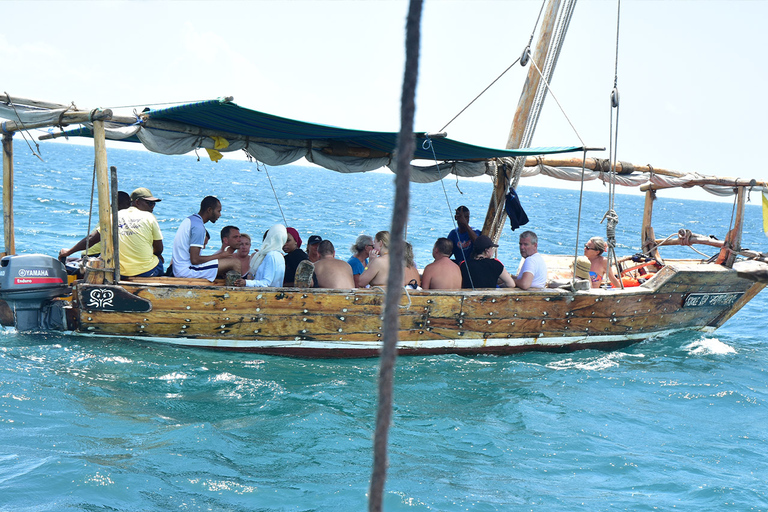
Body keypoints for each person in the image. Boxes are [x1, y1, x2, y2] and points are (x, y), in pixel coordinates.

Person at [172, 195, 240, 281]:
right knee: (235, 263)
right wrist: (221, 255)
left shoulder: (190, 220)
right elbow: (195, 260)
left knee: (225, 263)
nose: (219, 215)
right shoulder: (199, 227)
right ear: (209, 210)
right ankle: (235, 293)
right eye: (218, 211)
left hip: (179, 269)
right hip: (186, 271)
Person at [58, 191, 131, 264]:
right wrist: (69, 252)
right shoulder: (113, 216)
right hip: (94, 254)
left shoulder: (117, 214)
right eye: (129, 204)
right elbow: (92, 239)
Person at [117, 187, 165, 277]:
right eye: (149, 203)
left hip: (120, 272)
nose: (152, 206)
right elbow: (159, 249)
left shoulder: (115, 215)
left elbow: (94, 238)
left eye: (154, 204)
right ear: (137, 202)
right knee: (158, 259)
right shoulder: (149, 216)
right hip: (146, 272)